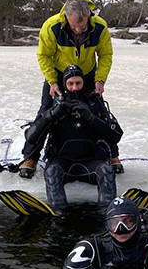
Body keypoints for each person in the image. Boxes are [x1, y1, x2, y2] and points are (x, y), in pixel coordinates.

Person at [20, 0, 124, 178]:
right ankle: (30, 157)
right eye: (74, 25)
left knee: (99, 112)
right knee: (46, 110)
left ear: (89, 16)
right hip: (59, 74)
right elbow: (44, 55)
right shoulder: (51, 26)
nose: (78, 30)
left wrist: (100, 80)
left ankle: (112, 155)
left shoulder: (99, 26)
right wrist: (52, 81)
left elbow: (106, 54)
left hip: (88, 74)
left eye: (82, 26)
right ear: (67, 17)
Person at [21, 64, 123, 212]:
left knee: (106, 171)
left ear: (83, 83)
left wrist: (91, 117)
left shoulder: (94, 103)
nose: (74, 88)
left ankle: (106, 216)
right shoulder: (56, 105)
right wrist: (52, 114)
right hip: (62, 163)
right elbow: (31, 136)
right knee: (51, 172)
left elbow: (115, 136)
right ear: (64, 84)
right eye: (70, 83)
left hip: (90, 162)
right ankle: (59, 216)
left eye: (78, 83)